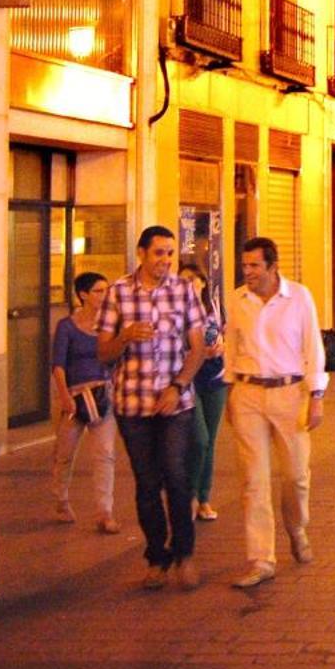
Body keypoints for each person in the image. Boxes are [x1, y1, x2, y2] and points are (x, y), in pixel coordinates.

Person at [97, 225, 209, 591]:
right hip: (133, 403)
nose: (165, 261)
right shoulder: (117, 293)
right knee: (147, 484)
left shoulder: (183, 292)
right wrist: (125, 336)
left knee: (176, 476)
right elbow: (103, 352)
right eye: (158, 253)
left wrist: (178, 386)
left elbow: (197, 348)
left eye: (170, 254)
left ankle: (185, 554)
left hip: (175, 402)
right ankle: (156, 557)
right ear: (141, 253)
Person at [225, 237, 326, 590]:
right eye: (245, 265)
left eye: (254, 265)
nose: (248, 272)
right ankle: (261, 558)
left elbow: (312, 345)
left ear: (272, 265)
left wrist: (316, 395)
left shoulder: (299, 297)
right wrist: (229, 391)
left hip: (290, 393)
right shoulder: (238, 300)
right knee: (254, 480)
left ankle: (296, 527)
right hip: (248, 393)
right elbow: (230, 346)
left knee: (296, 475)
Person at [51, 271, 119, 534]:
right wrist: (65, 396)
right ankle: (61, 499)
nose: (105, 296)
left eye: (106, 290)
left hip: (103, 396)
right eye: (99, 291)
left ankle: (105, 511)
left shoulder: (111, 326)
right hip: (75, 397)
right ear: (83, 295)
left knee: (105, 454)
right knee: (64, 454)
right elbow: (58, 364)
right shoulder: (67, 327)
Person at [180, 260, 229, 523]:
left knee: (210, 440)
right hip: (188, 379)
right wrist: (195, 352)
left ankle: (204, 498)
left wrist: (221, 346)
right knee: (198, 439)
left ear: (202, 282)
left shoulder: (215, 308)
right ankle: (188, 495)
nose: (189, 284)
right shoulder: (174, 313)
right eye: (183, 280)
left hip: (214, 378)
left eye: (193, 279)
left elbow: (226, 334)